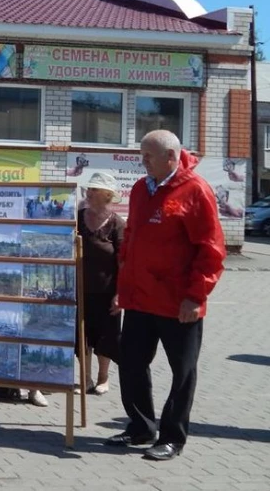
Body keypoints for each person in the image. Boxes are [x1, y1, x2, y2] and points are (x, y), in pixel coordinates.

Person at [105, 130, 225, 461]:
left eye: (148, 156)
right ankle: (141, 427)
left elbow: (211, 250)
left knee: (182, 371)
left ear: (171, 157)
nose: (142, 161)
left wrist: (195, 296)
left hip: (178, 303)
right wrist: (122, 289)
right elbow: (131, 240)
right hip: (141, 299)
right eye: (141, 155)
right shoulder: (143, 189)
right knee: (130, 364)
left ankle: (173, 437)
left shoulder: (195, 190)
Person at [77, 172, 126, 395]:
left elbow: (124, 261)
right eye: (90, 188)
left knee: (106, 336)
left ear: (107, 195)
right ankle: (84, 378)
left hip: (107, 291)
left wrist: (120, 293)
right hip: (80, 289)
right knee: (82, 335)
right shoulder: (77, 218)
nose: (90, 192)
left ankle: (102, 378)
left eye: (95, 189)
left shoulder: (117, 224)